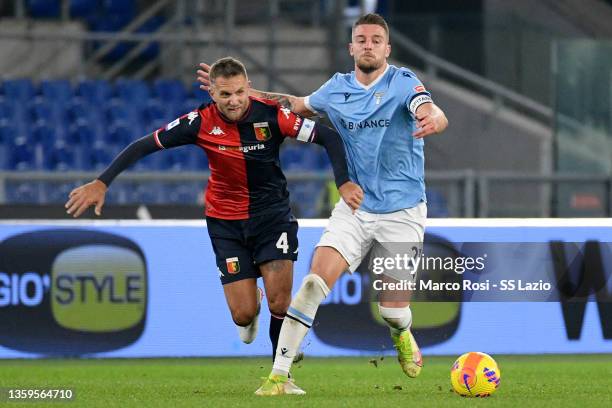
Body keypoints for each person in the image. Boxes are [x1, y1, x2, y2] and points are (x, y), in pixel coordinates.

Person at [65, 57, 363, 380]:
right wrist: (102, 181)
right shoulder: (199, 122)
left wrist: (344, 181)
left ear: (248, 88)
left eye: (239, 92)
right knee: (243, 314)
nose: (233, 101)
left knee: (281, 302)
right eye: (225, 95)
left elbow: (328, 137)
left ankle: (282, 376)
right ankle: (253, 306)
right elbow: (144, 145)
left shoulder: (274, 116)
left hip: (273, 217)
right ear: (213, 94)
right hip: (226, 223)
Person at [197, 13, 448, 396]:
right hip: (355, 209)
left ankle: (401, 331)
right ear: (351, 48)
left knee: (393, 310)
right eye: (361, 39)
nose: (368, 45)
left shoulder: (403, 82)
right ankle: (278, 376)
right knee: (314, 282)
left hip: (403, 211)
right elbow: (293, 105)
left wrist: (435, 119)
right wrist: (238, 91)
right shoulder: (336, 89)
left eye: (376, 40)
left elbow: (429, 109)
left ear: (387, 48)